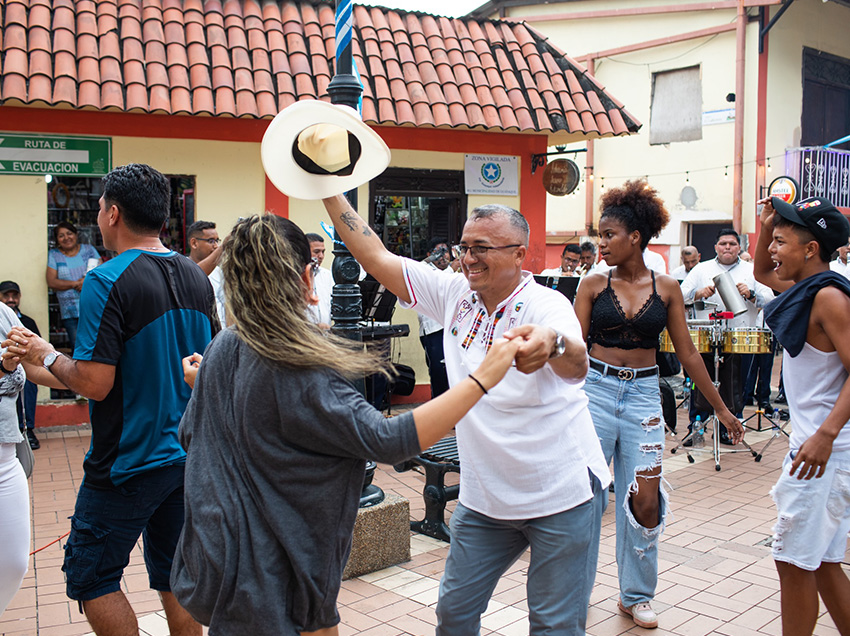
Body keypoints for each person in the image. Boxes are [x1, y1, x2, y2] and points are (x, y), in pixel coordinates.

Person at [170, 214, 520, 636]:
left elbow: (190, 434)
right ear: (306, 276)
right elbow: (389, 441)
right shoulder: (300, 362)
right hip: (279, 570)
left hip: (217, 555)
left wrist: (208, 383)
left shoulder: (224, 345)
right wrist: (484, 377)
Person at [322, 193, 610, 635]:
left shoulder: (545, 306)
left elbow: (577, 361)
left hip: (561, 496)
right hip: (486, 498)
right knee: (454, 614)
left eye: (481, 248)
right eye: (464, 247)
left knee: (554, 626)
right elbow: (376, 255)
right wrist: (326, 186)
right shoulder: (454, 293)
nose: (468, 258)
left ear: (518, 254)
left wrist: (550, 345)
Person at [5, 163, 218, 636]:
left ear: (113, 213)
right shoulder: (194, 276)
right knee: (174, 574)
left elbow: (95, 383)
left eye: (100, 207)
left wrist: (44, 351)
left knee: (92, 577)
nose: (98, 215)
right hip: (185, 454)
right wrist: (31, 362)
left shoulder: (106, 279)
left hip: (127, 462)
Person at [573, 180, 742, 629]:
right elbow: (572, 350)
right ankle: (575, 593)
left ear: (635, 238)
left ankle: (636, 595)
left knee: (645, 500)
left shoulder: (667, 287)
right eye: (600, 235)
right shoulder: (591, 284)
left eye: (609, 234)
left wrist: (721, 409)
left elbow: (687, 354)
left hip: (645, 396)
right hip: (594, 391)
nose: (601, 242)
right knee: (585, 498)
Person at [753, 195, 850, 636]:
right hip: (819, 450)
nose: (772, 250)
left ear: (810, 250)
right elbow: (760, 273)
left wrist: (826, 435)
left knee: (791, 561)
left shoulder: (828, 298)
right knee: (824, 564)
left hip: (823, 454)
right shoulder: (803, 289)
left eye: (780, 241)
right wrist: (765, 224)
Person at [1, 302, 69, 616]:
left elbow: (34, 370)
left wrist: (90, 378)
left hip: (6, 455)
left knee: (13, 563)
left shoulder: (4, 314)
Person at [681, 229, 774, 441]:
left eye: (732, 244)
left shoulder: (752, 271)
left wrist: (751, 294)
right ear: (715, 247)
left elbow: (770, 299)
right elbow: (679, 294)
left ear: (739, 247)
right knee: (701, 383)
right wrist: (698, 294)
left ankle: (730, 429)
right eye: (723, 243)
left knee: (735, 385)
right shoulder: (701, 269)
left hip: (739, 337)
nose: (728, 247)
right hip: (707, 336)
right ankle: (697, 427)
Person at [46, 221, 101, 351]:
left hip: (92, 306)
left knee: (98, 344)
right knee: (77, 347)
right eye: (61, 235)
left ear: (76, 234)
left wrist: (85, 282)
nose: (66, 238)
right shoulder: (54, 255)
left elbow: (101, 272)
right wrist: (77, 283)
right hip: (70, 311)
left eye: (69, 233)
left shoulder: (89, 250)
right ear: (57, 240)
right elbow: (52, 282)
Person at [0, 281, 41, 450]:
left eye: (14, 295)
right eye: (6, 296)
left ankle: (27, 428)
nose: (11, 299)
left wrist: (74, 378)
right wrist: (5, 367)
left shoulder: (7, 315)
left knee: (29, 381)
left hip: (7, 443)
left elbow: (35, 359)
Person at [417, 238, 453, 398]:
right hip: (434, 330)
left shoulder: (454, 272)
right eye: (438, 252)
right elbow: (438, 282)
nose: (443, 256)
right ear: (429, 254)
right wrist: (452, 268)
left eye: (446, 252)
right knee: (439, 374)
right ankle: (439, 413)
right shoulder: (425, 270)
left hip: (452, 329)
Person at [187, 221, 226, 329]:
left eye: (217, 241)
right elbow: (194, 275)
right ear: (194, 243)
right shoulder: (182, 269)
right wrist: (223, 248)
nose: (216, 246)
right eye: (211, 241)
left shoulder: (218, 272)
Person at [305, 232, 333, 328]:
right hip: (305, 335)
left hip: (325, 336)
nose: (321, 256)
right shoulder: (296, 276)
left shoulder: (327, 275)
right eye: (316, 252)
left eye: (323, 252)